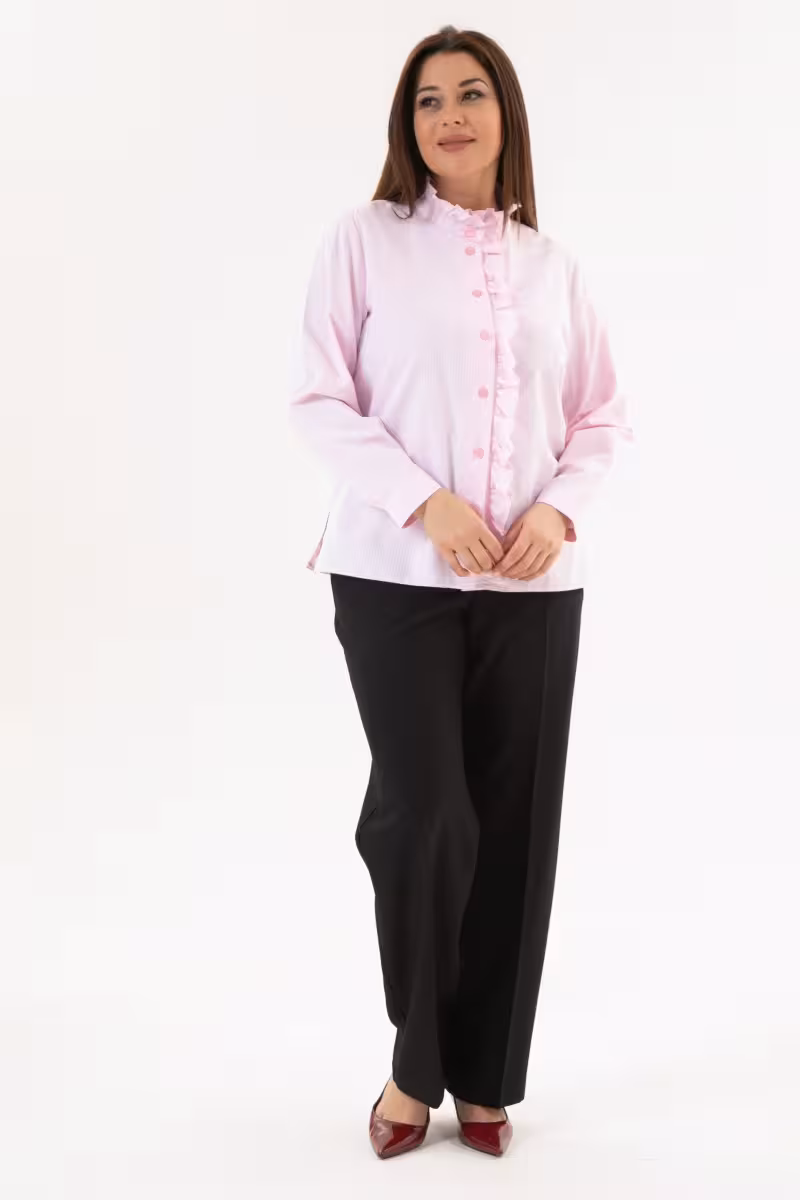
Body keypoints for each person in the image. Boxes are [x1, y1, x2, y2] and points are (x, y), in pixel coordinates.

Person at [287, 24, 634, 1160]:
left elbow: (602, 416)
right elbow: (317, 398)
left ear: (503, 114)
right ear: (408, 124)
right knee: (424, 813)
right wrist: (423, 501)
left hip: (534, 587)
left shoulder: (553, 268)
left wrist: (556, 509)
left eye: (470, 94)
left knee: (515, 829)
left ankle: (484, 1075)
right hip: (395, 573)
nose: (449, 115)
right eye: (428, 99)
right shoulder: (364, 240)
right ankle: (414, 1063)